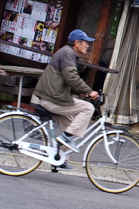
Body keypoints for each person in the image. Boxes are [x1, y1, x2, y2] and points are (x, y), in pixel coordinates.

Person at [31, 29, 100, 163]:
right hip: (52, 100)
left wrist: (80, 91)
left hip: (51, 97)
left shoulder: (66, 52)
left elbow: (63, 79)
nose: (88, 46)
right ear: (77, 43)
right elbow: (72, 78)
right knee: (88, 108)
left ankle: (58, 159)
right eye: (86, 43)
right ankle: (65, 137)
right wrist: (90, 92)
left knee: (71, 127)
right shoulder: (68, 53)